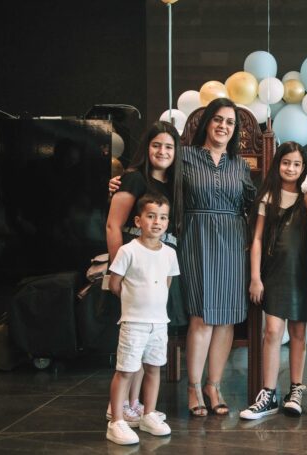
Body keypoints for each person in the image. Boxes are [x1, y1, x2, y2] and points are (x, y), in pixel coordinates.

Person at [180, 97, 256, 416]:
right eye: (218, 119)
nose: (223, 126)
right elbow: (153, 178)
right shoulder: (184, 157)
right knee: (201, 316)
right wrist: (122, 183)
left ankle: (214, 385)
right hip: (197, 238)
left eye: (230, 122)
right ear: (207, 122)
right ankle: (193, 387)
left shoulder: (240, 165)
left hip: (233, 242)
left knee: (226, 318)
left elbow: (256, 204)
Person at [105, 120, 183, 425]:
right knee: (132, 344)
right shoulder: (134, 179)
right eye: (156, 145)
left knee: (147, 343)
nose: (162, 151)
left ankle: (134, 404)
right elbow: (113, 225)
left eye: (169, 146)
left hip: (158, 263)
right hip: (134, 265)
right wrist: (119, 270)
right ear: (146, 148)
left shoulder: (173, 183)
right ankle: (118, 407)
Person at [240, 142, 307, 420]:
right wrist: (255, 277)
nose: (291, 168)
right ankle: (268, 394)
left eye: (297, 164)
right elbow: (257, 239)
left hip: (301, 273)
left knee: (298, 332)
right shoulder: (268, 197)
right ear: (278, 164)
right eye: (286, 162)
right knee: (273, 331)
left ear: (304, 168)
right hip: (273, 273)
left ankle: (295, 390)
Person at [106, 193, 180, 445]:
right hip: (134, 322)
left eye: (163, 217)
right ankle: (117, 421)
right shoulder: (128, 251)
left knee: (153, 368)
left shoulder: (169, 254)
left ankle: (148, 414)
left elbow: (166, 284)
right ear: (138, 221)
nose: (157, 222)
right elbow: (115, 284)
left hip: (159, 323)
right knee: (126, 370)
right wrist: (134, 301)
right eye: (151, 216)